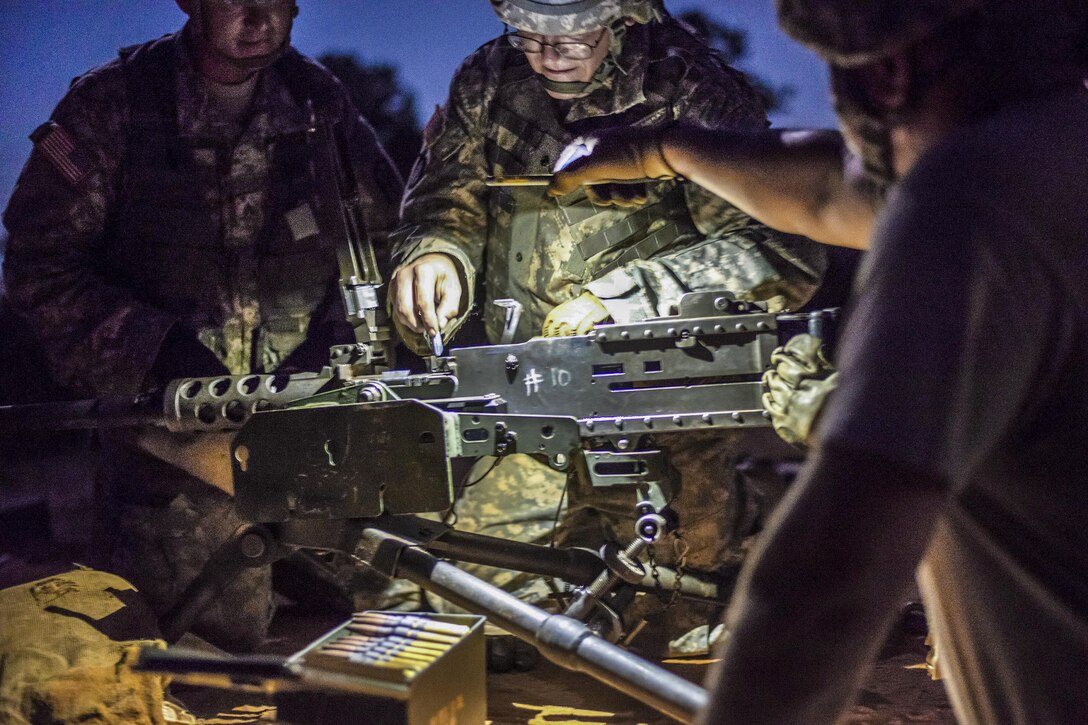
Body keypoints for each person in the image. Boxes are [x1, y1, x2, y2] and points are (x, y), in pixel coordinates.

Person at [555, 0, 1088, 720]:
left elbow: (828, 574)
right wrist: (664, 149)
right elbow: (834, 187)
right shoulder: (1055, 154)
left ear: (889, 75)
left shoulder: (973, 202)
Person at [384, 0, 826, 652]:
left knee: (691, 624)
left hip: (658, 404)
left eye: (570, 32)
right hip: (524, 399)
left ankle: (748, 526)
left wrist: (621, 297)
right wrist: (433, 253)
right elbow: (445, 201)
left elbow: (782, 251)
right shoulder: (487, 80)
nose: (549, 53)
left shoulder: (688, 85)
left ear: (621, 15)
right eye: (529, 34)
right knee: (484, 626)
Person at [1, 0, 403, 651]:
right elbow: (39, 270)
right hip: (169, 457)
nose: (257, 14)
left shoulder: (316, 103)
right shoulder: (113, 105)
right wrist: (158, 352)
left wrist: (339, 347)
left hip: (311, 439)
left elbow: (385, 246)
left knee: (390, 612)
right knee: (212, 644)